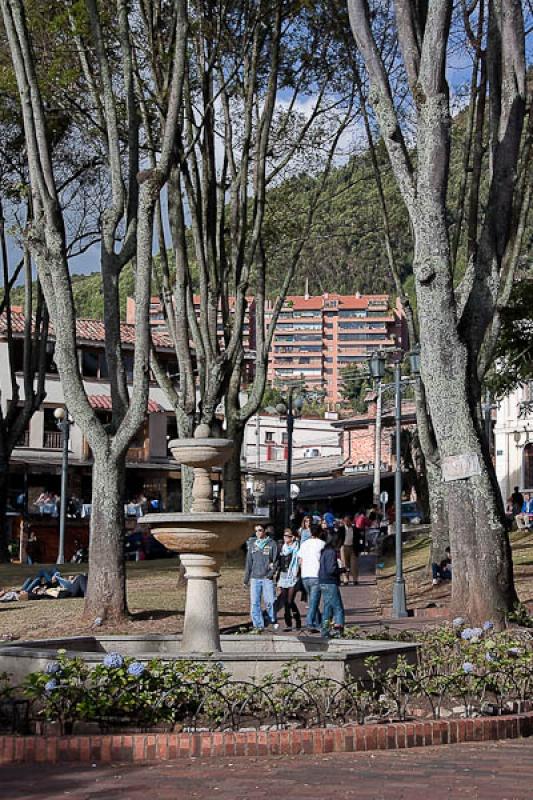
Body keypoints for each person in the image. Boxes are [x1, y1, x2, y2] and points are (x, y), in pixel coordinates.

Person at [243, 524, 279, 632]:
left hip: (266, 578)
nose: (258, 533)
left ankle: (271, 618)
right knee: (255, 603)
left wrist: (271, 574)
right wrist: (246, 579)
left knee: (270, 601)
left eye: (260, 530)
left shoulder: (272, 544)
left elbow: (276, 561)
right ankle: (258, 625)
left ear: (264, 531)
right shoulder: (252, 545)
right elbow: (249, 562)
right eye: (256, 531)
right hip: (255, 578)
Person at [298, 524, 325, 633]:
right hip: (316, 575)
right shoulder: (322, 544)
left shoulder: (304, 544)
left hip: (305, 575)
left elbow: (300, 560)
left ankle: (318, 623)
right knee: (314, 602)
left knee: (312, 600)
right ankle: (309, 622)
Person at [319, 530, 345, 638]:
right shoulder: (331, 552)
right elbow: (331, 569)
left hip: (323, 581)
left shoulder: (324, 551)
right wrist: (342, 570)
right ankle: (339, 630)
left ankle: (325, 630)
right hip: (330, 582)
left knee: (327, 608)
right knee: (338, 608)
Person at [276, 529, 301, 631]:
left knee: (290, 601)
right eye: (284, 536)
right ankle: (288, 624)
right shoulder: (282, 547)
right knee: (285, 601)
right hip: (283, 575)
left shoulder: (297, 548)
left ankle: (297, 620)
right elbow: (278, 560)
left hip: (293, 575)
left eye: (288, 536)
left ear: (293, 537)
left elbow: (299, 561)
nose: (285, 538)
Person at [340, 514, 359, 585]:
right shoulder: (341, 529)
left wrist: (359, 549)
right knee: (344, 564)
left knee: (354, 564)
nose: (346, 522)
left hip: (352, 547)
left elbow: (358, 539)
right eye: (345, 521)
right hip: (344, 547)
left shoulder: (355, 529)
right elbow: (338, 538)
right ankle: (345, 579)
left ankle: (355, 579)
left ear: (351, 521)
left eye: (348, 521)